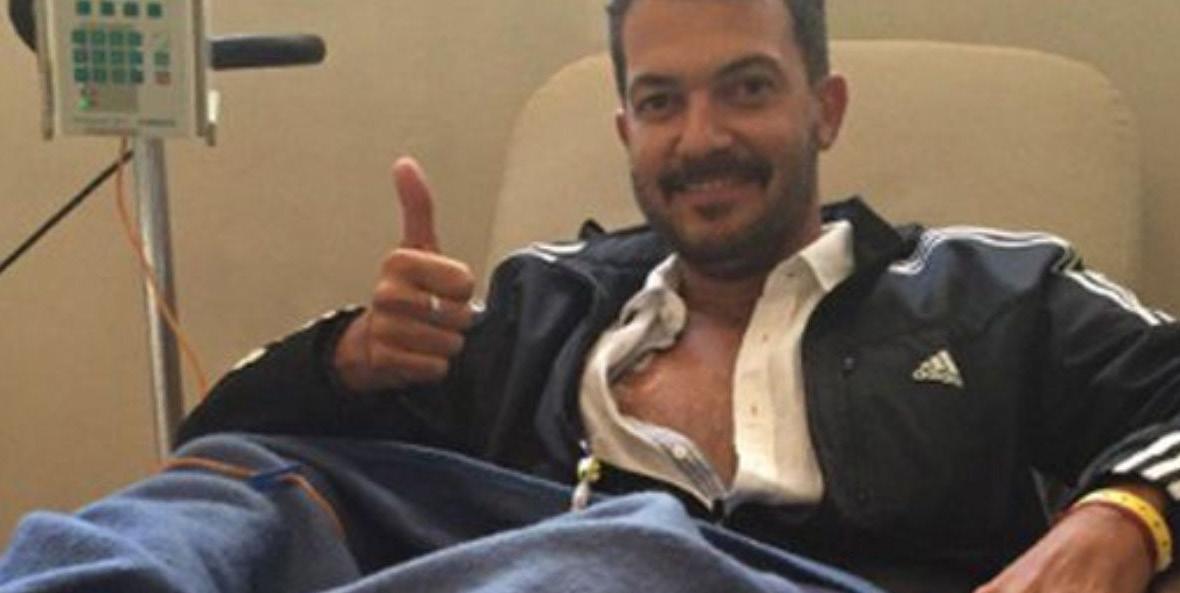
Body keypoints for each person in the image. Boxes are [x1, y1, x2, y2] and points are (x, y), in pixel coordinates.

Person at [176, 0, 1180, 592]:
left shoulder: (990, 293)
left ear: (824, 110)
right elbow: (217, 439)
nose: (700, 137)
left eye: (746, 88)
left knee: (629, 549)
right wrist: (348, 357)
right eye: (662, 102)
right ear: (627, 132)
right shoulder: (537, 310)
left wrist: (1127, 516)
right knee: (219, 493)